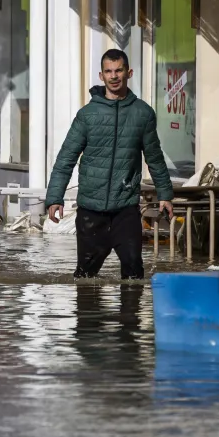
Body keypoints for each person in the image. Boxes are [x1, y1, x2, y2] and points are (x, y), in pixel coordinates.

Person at [46, 49, 175, 279]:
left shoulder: (143, 114)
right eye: (108, 71)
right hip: (90, 212)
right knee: (85, 277)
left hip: (125, 209)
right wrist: (55, 197)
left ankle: (130, 316)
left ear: (129, 72)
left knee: (134, 274)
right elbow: (66, 159)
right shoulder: (87, 115)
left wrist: (165, 194)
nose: (114, 76)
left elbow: (154, 157)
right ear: (101, 76)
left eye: (118, 70)